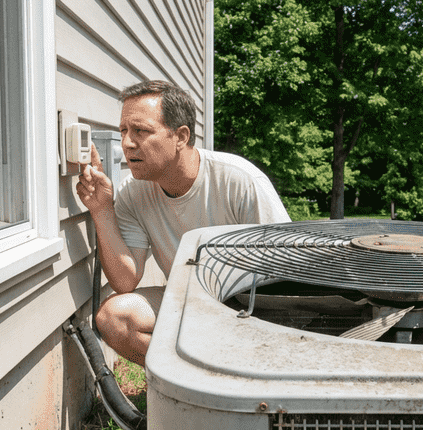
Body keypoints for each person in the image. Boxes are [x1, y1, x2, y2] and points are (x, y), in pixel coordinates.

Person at [76, 80, 290, 366]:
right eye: (124, 131)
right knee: (115, 318)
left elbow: (287, 269)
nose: (127, 143)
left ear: (180, 136)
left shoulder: (239, 181)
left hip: (253, 306)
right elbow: (125, 281)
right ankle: (192, 380)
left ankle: (229, 374)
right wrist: (102, 210)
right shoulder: (133, 192)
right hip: (190, 301)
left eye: (140, 131)